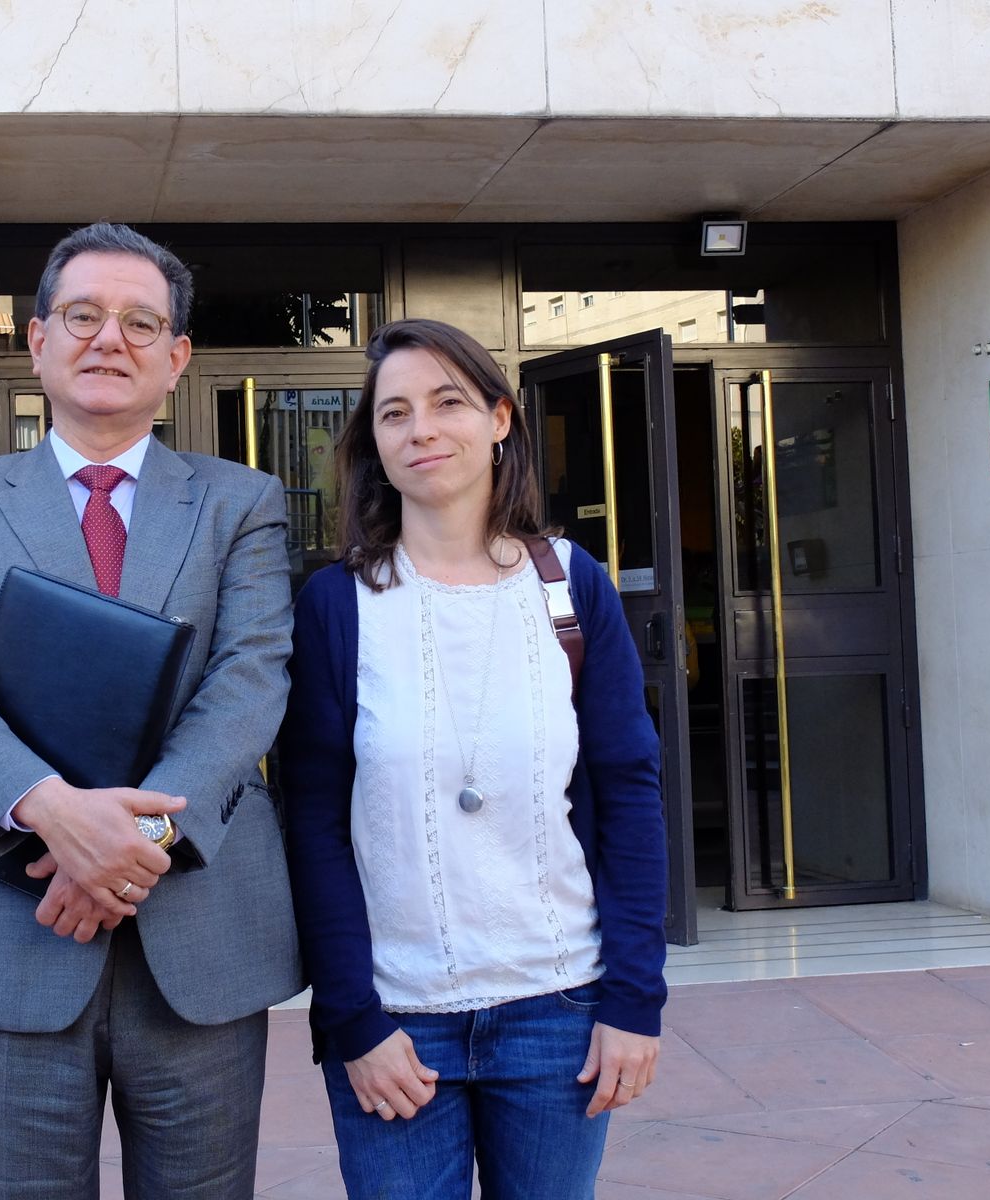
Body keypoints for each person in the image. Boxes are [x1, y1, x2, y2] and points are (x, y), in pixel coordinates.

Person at [0, 222, 301, 1199]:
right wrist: (53, 813)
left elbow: (250, 682)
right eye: (82, 315)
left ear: (175, 357)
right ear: (36, 341)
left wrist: (130, 844)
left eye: (139, 322)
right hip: (4, 921)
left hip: (197, 938)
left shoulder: (241, 502)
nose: (108, 338)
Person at [280, 318, 666, 1199]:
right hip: (396, 1023)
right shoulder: (337, 607)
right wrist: (350, 1020)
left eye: (447, 402)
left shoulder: (573, 587)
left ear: (499, 419)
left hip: (560, 1009)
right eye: (394, 413)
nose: (422, 430)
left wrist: (634, 999)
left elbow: (630, 794)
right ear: (373, 444)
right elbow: (312, 823)